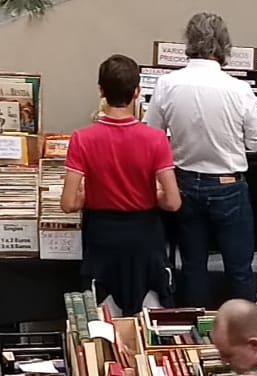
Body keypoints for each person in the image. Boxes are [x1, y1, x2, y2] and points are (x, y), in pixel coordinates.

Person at [145, 12, 257, 306]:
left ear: (189, 41)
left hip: (184, 183)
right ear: (224, 45)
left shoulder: (168, 85)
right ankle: (246, 333)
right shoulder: (239, 89)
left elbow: (152, 135)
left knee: (193, 267)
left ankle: (195, 335)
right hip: (229, 186)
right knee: (239, 269)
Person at [61, 55, 181, 316]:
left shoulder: (82, 139)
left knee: (103, 318)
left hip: (102, 238)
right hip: (145, 237)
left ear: (101, 91)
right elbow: (173, 202)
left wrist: (91, 194)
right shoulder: (156, 139)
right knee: (150, 316)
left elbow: (68, 203)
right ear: (137, 92)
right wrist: (152, 194)